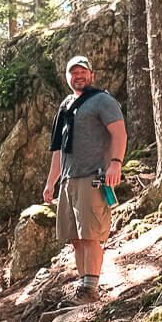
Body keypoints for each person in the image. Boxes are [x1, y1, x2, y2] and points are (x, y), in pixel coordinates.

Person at [43, 55, 127, 302]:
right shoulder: (66, 105)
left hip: (93, 176)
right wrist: (51, 183)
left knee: (91, 234)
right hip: (68, 181)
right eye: (73, 72)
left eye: (82, 72)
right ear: (67, 77)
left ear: (92, 75)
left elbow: (119, 133)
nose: (78, 76)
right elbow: (58, 150)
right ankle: (83, 286)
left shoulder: (102, 100)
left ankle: (91, 288)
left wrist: (115, 163)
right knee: (75, 237)